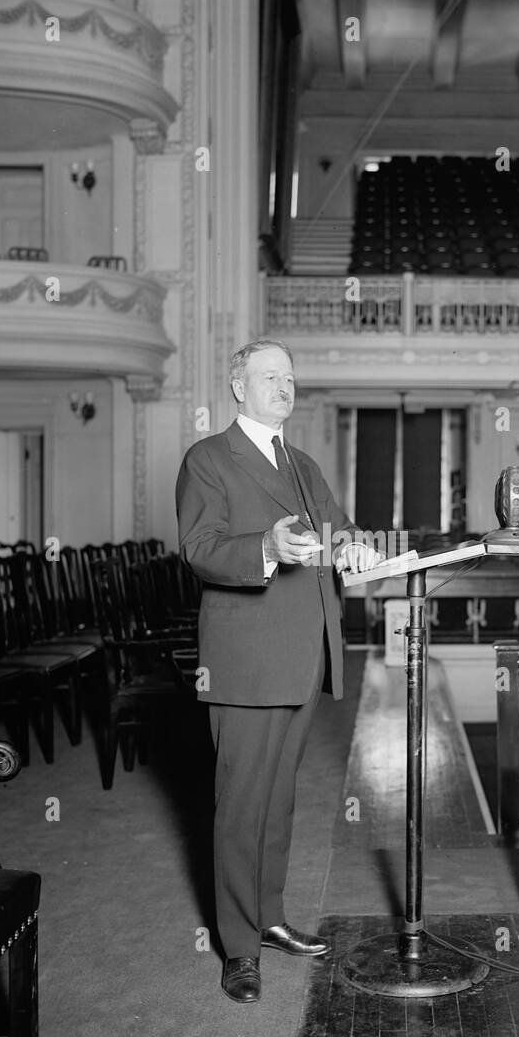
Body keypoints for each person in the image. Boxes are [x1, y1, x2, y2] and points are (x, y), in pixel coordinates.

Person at [175, 338, 381, 1003]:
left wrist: (352, 546)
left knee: (277, 800)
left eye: (289, 377)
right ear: (238, 386)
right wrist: (263, 545)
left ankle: (267, 916)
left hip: (302, 652)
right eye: (269, 376)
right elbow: (201, 549)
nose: (283, 386)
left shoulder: (301, 462)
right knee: (240, 804)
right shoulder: (209, 458)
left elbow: (338, 526)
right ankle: (237, 948)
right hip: (246, 659)